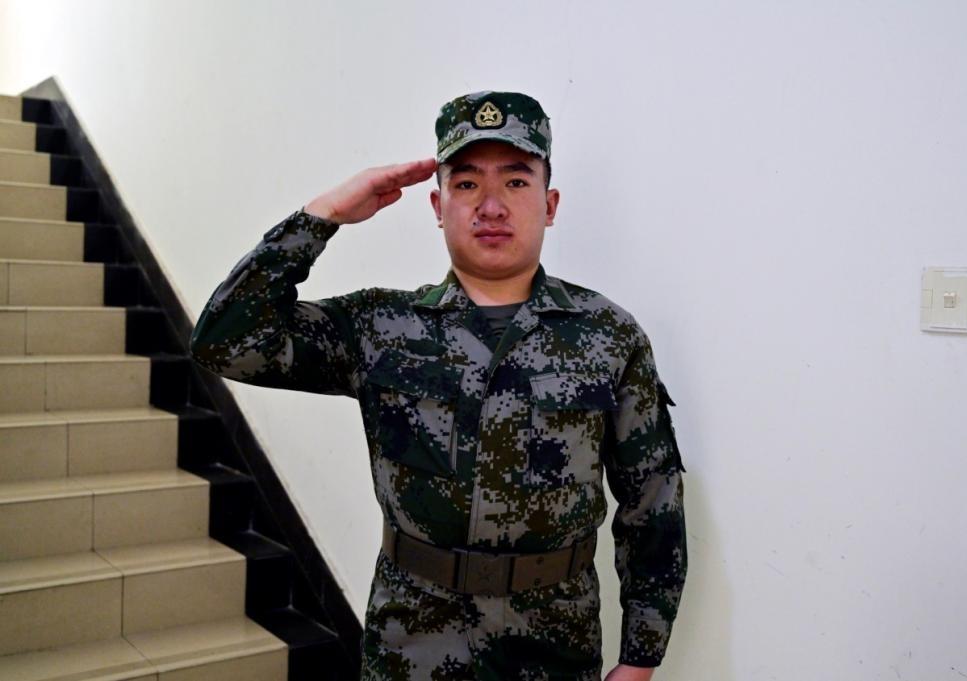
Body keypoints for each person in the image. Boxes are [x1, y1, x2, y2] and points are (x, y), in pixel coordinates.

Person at [190, 90, 687, 681]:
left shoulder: (608, 334)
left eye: (516, 182)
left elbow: (652, 499)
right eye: (467, 183)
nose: (492, 206)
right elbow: (224, 341)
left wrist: (640, 658)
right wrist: (323, 215)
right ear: (437, 204)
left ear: (550, 204)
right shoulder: (381, 326)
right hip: (413, 643)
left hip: (555, 646)